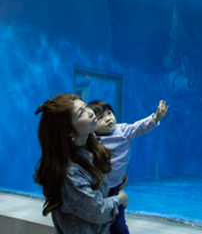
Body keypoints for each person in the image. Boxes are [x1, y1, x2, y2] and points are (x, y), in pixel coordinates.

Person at [34, 94, 129, 234]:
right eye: (81, 113)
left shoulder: (89, 149)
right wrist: (119, 199)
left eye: (86, 107)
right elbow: (96, 210)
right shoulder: (70, 172)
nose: (90, 112)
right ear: (67, 130)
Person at [87, 99, 169, 234]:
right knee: (97, 221)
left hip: (115, 187)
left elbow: (139, 127)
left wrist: (156, 117)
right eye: (101, 118)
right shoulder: (91, 138)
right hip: (97, 187)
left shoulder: (122, 131)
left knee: (118, 225)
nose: (108, 119)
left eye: (109, 113)